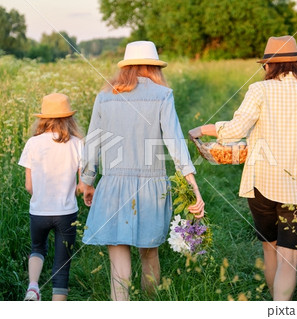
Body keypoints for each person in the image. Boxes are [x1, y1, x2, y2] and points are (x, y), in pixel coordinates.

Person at [189, 35, 297, 300]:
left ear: (268, 66)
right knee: (289, 255)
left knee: (270, 248)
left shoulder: (259, 90)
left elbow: (234, 130)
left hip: (262, 183)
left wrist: (202, 129)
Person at [80, 41, 205, 301]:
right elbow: (176, 143)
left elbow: (93, 142)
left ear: (125, 67)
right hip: (151, 189)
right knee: (149, 254)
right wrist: (192, 185)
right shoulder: (162, 95)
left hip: (113, 186)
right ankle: (151, 304)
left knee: (118, 257)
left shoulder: (105, 96)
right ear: (154, 67)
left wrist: (88, 182)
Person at [19, 93, 83, 301]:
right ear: (68, 118)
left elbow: (29, 186)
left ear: (43, 118)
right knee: (62, 267)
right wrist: (70, 192)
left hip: (39, 211)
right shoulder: (77, 144)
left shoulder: (33, 143)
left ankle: (33, 287)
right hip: (66, 213)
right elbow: (82, 185)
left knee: (37, 248)